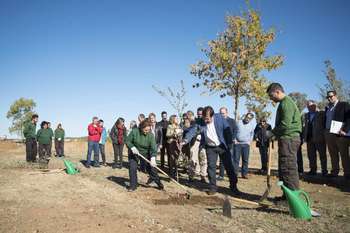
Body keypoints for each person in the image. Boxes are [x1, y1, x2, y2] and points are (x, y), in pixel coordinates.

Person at [183, 106, 240, 196]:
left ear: (212, 116)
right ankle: (213, 187)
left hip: (222, 146)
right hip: (210, 147)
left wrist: (229, 144)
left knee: (229, 167)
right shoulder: (200, 121)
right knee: (211, 168)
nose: (205, 121)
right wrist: (185, 140)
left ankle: (234, 187)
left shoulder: (219, 118)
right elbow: (193, 130)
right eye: (204, 118)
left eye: (207, 119)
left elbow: (227, 130)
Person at [266, 83, 302, 200]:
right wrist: (276, 135)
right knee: (284, 167)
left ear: (277, 92)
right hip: (286, 138)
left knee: (288, 168)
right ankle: (286, 196)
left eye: (271, 95)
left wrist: (272, 133)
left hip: (289, 139)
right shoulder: (283, 103)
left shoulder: (286, 103)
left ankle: (292, 199)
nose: (270, 98)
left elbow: (285, 125)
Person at [126, 120, 164, 191]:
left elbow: (153, 148)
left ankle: (159, 183)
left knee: (151, 170)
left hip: (145, 153)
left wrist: (153, 158)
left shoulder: (150, 135)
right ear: (141, 128)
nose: (147, 132)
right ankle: (133, 186)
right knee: (132, 168)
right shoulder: (135, 131)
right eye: (145, 130)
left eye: (148, 130)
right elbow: (127, 140)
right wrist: (132, 147)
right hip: (134, 153)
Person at [324, 90, 350, 179]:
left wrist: (345, 130)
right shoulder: (327, 107)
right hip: (329, 133)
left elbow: (349, 118)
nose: (329, 98)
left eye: (331, 96)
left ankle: (347, 173)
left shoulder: (344, 104)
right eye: (328, 97)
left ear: (335, 96)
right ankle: (335, 172)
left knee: (344, 154)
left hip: (340, 134)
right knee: (333, 154)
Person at [303, 100, 328, 176]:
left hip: (319, 138)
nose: (309, 107)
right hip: (309, 138)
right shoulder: (306, 115)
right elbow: (305, 126)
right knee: (311, 156)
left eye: (311, 105)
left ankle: (324, 171)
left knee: (322, 155)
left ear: (315, 105)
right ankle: (313, 170)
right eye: (308, 106)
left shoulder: (321, 113)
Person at [233, 113, 255, 179]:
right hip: (237, 144)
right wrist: (234, 139)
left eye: (250, 118)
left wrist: (249, 141)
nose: (248, 119)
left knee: (245, 160)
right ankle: (235, 173)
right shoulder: (239, 122)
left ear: (251, 119)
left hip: (246, 145)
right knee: (236, 159)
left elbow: (252, 134)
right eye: (247, 117)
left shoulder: (251, 125)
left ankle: (244, 174)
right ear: (245, 116)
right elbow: (234, 131)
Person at [218, 107, 238, 180]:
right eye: (220, 113)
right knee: (221, 160)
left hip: (229, 143)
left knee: (230, 160)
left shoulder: (232, 121)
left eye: (223, 113)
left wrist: (233, 138)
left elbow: (235, 130)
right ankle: (221, 175)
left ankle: (232, 176)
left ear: (227, 113)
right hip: (221, 143)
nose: (222, 114)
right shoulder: (218, 121)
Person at [166, 115, 183, 180]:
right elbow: (167, 134)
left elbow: (181, 135)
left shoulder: (179, 126)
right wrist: (173, 134)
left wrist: (180, 134)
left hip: (177, 144)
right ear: (173, 119)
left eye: (178, 118)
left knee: (177, 158)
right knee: (172, 158)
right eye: (176, 119)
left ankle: (176, 173)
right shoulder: (170, 126)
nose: (177, 120)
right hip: (172, 143)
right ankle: (171, 173)